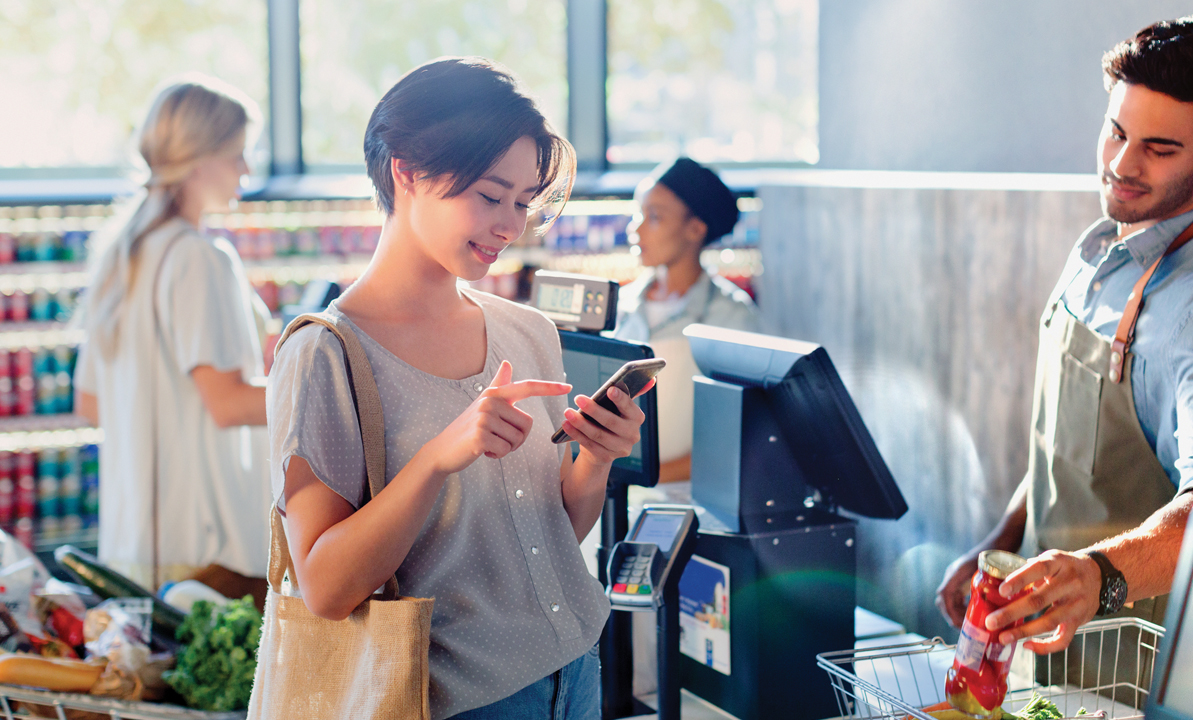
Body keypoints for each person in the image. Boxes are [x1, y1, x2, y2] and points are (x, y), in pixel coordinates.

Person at [268, 58, 650, 720]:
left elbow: (549, 537)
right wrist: (438, 458)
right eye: (490, 195)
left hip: (577, 674)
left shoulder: (528, 332)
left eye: (525, 203)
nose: (511, 226)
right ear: (407, 172)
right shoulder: (324, 354)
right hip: (453, 701)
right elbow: (326, 589)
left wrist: (598, 458)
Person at [935, 17, 1193, 655]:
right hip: (1046, 641)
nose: (1122, 164)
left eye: (1159, 147)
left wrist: (1098, 578)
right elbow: (1069, 446)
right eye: (1116, 132)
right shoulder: (1103, 244)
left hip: (1136, 666)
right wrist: (1003, 541)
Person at [74, 76, 273, 601]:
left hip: (132, 547)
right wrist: (325, 395)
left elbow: (90, 402)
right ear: (199, 161)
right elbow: (228, 404)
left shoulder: (120, 257)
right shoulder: (198, 258)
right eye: (238, 154)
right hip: (206, 553)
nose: (246, 170)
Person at [612, 157, 759, 482]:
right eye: (637, 213)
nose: (634, 229)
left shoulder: (731, 317)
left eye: (653, 217)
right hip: (610, 497)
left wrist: (639, 477)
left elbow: (736, 437)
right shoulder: (619, 306)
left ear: (695, 228)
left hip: (684, 499)